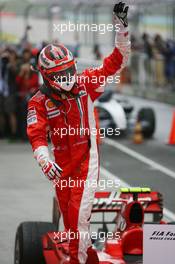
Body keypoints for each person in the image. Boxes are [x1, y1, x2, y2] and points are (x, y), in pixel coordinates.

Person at [27, 2, 130, 264]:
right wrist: (44, 160)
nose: (67, 77)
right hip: (61, 166)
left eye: (69, 70)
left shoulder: (86, 84)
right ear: (47, 77)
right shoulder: (38, 102)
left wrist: (121, 29)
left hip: (87, 159)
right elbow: (36, 135)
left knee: (78, 220)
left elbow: (116, 62)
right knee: (70, 221)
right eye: (60, 74)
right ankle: (89, 258)